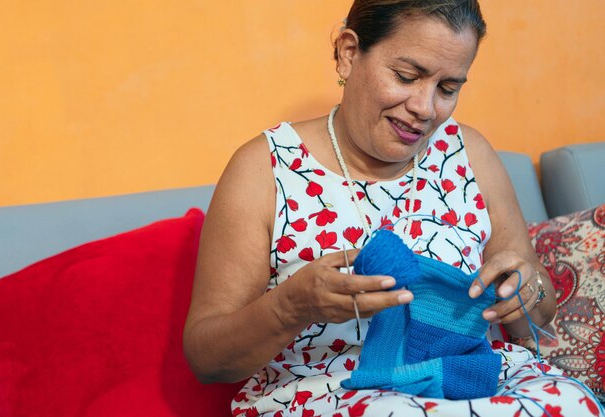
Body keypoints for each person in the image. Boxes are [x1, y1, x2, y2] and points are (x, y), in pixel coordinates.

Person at [184, 1, 603, 416]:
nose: (425, 108)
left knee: (576, 403)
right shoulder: (264, 168)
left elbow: (540, 308)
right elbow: (207, 360)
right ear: (349, 53)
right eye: (407, 76)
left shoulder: (469, 152)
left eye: (448, 88)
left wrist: (526, 292)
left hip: (463, 378)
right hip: (326, 392)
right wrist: (292, 307)